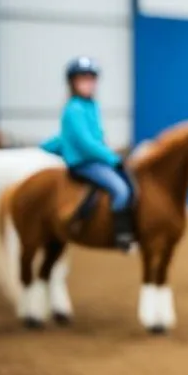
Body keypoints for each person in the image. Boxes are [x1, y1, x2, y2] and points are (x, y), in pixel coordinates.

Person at [41, 56, 135, 252]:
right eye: (83, 79)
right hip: (84, 163)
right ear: (72, 83)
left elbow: (76, 138)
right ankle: (122, 234)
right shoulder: (73, 109)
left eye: (91, 79)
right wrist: (112, 158)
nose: (88, 83)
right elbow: (85, 143)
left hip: (96, 159)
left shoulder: (91, 106)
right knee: (121, 189)